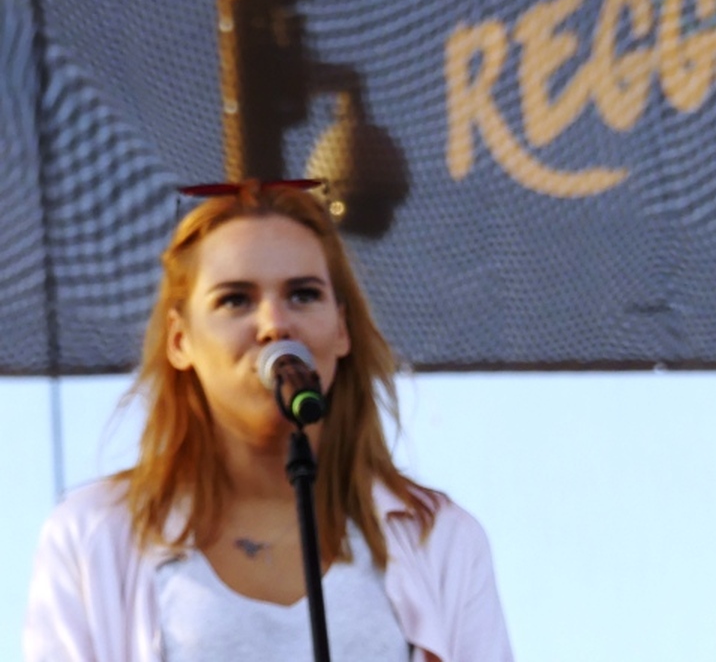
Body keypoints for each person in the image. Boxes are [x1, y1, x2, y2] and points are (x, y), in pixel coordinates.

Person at [24, 181, 514, 661]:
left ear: (341, 329)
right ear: (180, 340)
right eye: (235, 299)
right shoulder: (92, 534)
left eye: (303, 295)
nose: (275, 324)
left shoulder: (440, 538)